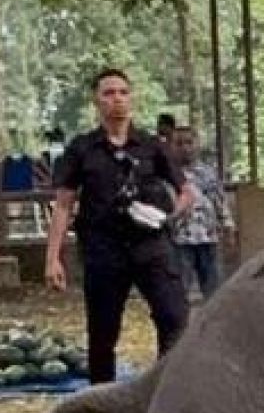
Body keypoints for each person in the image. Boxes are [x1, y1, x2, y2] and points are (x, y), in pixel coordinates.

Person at [44, 68, 195, 383]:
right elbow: (63, 204)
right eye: (109, 93)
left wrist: (168, 216)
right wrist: (53, 257)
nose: (117, 100)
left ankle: (166, 390)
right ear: (96, 101)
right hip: (103, 249)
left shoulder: (152, 146)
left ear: (132, 98)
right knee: (102, 331)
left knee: (175, 318)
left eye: (123, 92)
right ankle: (101, 406)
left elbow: (186, 192)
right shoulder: (81, 148)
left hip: (152, 246)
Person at [169, 124, 232, 298]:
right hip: (179, 239)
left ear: (197, 144)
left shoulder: (208, 172)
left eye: (189, 142)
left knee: (213, 289)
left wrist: (228, 225)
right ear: (171, 146)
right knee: (179, 289)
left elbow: (219, 200)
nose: (185, 148)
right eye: (179, 143)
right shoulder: (167, 173)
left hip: (207, 236)